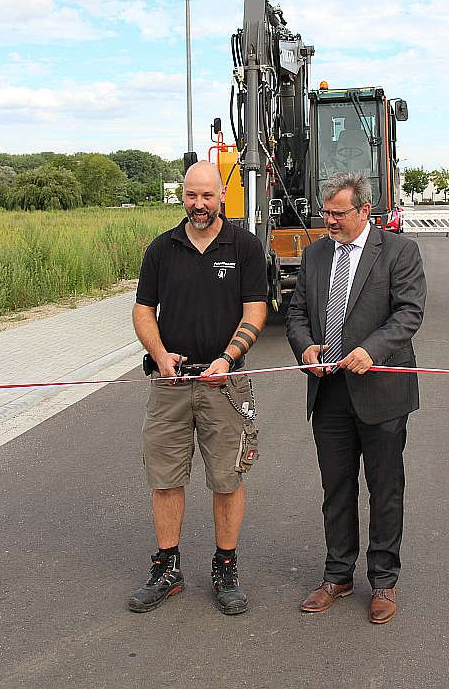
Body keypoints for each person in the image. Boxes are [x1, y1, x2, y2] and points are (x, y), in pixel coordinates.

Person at [128, 161, 267, 616]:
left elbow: (255, 311)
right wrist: (161, 354)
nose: (199, 205)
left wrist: (228, 357)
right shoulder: (161, 249)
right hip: (171, 381)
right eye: (191, 196)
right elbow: (144, 311)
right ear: (182, 197)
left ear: (221, 197)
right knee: (165, 478)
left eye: (207, 196)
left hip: (224, 383)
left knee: (227, 478)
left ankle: (225, 567)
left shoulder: (244, 246)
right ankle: (167, 568)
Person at [286, 172, 426, 623]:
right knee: (337, 489)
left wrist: (372, 350)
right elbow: (296, 314)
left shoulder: (399, 251)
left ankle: (383, 582)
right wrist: (305, 346)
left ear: (364, 211)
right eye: (324, 212)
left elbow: (409, 313)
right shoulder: (314, 254)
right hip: (328, 393)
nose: (328, 220)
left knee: (385, 489)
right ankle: (337, 576)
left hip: (381, 393)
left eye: (338, 213)